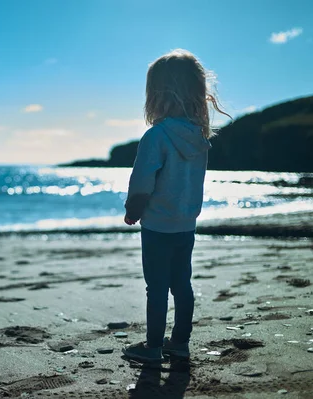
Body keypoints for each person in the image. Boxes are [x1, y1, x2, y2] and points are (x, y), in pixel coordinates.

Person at [122, 49, 230, 363]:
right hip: (186, 225)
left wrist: (133, 210)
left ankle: (153, 347)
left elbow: (143, 182)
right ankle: (179, 343)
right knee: (182, 284)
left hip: (157, 227)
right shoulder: (199, 138)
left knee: (156, 287)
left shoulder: (156, 136)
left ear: (155, 95)